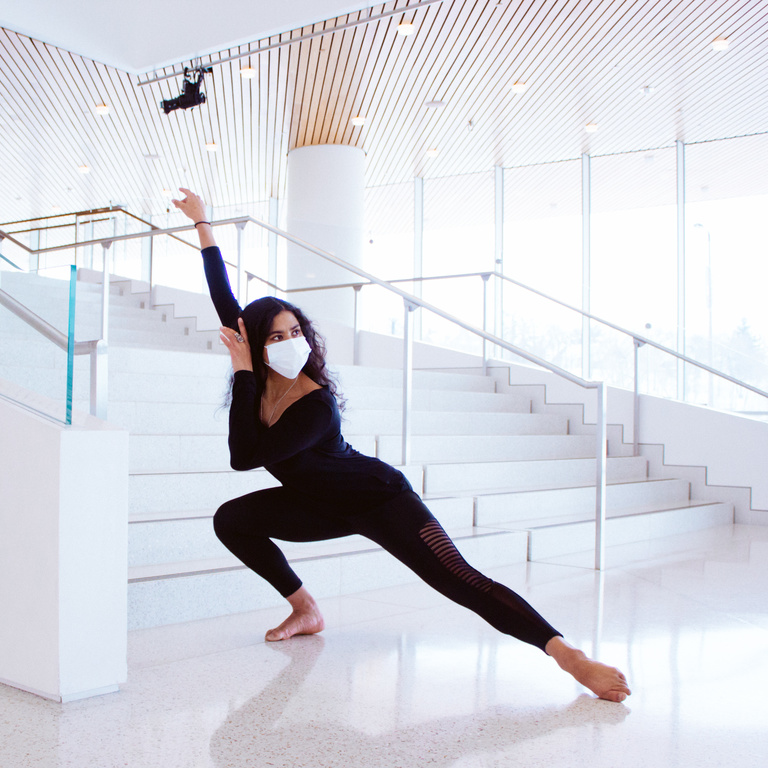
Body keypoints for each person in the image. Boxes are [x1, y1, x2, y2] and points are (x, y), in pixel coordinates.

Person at [172, 188, 631, 704]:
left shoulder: (314, 404)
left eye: (295, 331)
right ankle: (306, 609)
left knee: (459, 580)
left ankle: (569, 656)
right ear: (255, 342)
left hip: (379, 499)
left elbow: (244, 456)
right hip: (316, 504)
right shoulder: (255, 369)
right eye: (276, 336)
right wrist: (203, 223)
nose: (289, 342)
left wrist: (240, 374)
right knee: (231, 520)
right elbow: (222, 294)